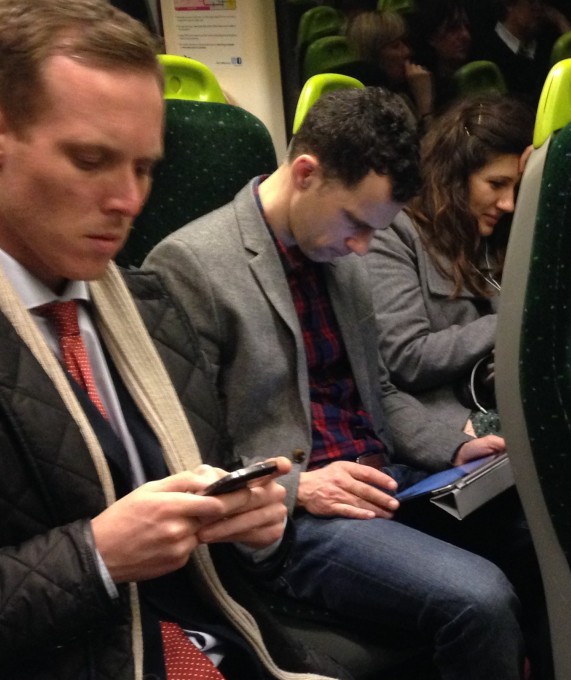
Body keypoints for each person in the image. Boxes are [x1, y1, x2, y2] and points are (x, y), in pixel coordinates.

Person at [0, 1, 336, 678]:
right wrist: (94, 557)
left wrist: (256, 527)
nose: (128, 200)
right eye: (91, 160)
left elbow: (207, 517)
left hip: (223, 640)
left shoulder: (150, 305)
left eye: (144, 168)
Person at [144, 87, 525, 680]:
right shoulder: (190, 264)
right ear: (305, 172)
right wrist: (300, 487)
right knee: (479, 600)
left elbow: (381, 392)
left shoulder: (340, 256)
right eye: (355, 222)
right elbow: (184, 451)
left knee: (536, 542)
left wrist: (453, 446)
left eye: (376, 230)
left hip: (379, 478)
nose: (361, 247)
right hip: (295, 515)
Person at [366, 94, 532, 436]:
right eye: (496, 184)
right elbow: (405, 357)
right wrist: (512, 323)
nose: (508, 203)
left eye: (518, 188)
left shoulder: (503, 234)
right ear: (455, 177)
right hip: (441, 419)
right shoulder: (395, 233)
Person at [472, 0, 571, 106]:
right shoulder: (487, 53)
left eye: (541, 2)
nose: (539, 8)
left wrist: (560, 20)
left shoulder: (545, 42)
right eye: (532, 2)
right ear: (509, 4)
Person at [342, 10, 436, 124]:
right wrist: (425, 106)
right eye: (395, 46)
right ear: (372, 55)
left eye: (404, 43)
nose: (407, 52)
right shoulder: (372, 108)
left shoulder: (401, 95)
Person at [407, 0, 474, 113]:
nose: (465, 35)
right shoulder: (418, 85)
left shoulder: (475, 75)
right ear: (431, 37)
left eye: (466, 27)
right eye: (453, 29)